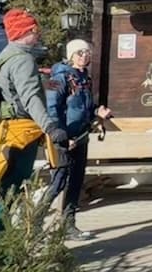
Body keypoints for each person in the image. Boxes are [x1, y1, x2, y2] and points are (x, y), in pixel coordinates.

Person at [0, 9, 68, 263]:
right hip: (21, 136)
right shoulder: (23, 60)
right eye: (33, 30)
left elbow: (14, 89)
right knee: (7, 195)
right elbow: (29, 99)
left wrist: (41, 82)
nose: (37, 34)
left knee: (2, 193)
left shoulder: (7, 55)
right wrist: (50, 127)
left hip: (6, 134)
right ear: (23, 32)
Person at [44, 39, 112, 240]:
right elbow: (51, 108)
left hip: (81, 137)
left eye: (87, 52)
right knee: (59, 181)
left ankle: (68, 225)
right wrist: (61, 136)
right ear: (71, 55)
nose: (84, 56)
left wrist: (97, 111)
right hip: (64, 138)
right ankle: (34, 223)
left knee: (75, 182)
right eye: (80, 52)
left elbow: (85, 107)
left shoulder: (84, 78)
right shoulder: (58, 78)